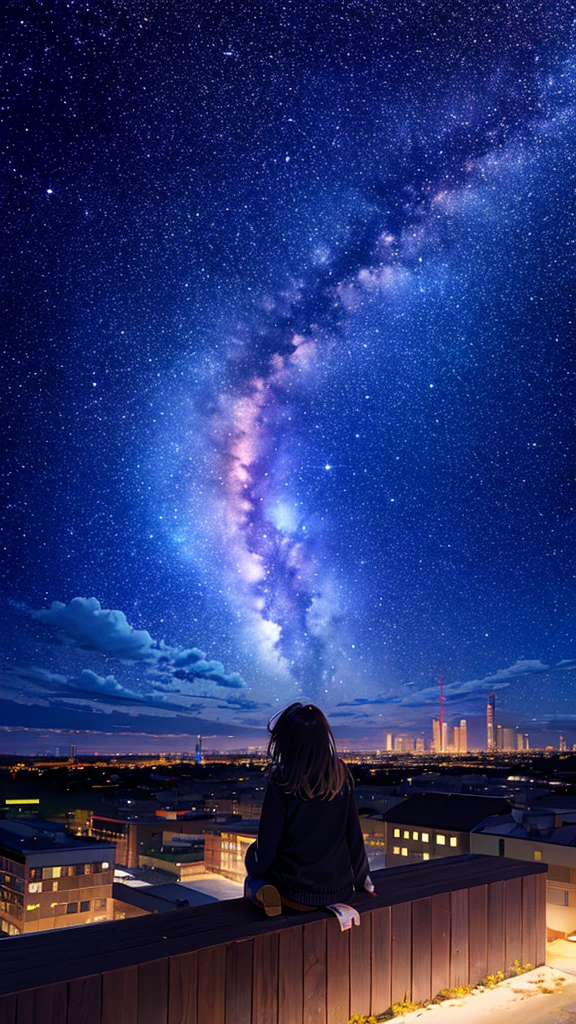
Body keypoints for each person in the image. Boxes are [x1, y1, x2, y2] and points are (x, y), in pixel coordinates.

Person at [244, 702, 374, 916]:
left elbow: (268, 845)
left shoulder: (282, 779)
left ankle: (263, 891)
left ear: (286, 741)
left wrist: (254, 863)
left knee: (254, 874)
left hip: (295, 892)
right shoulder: (339, 773)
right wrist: (362, 880)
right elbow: (353, 836)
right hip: (339, 890)